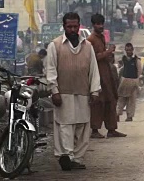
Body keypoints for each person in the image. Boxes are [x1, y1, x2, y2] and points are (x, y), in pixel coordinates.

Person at [44, 12, 101, 171]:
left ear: (79, 26)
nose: (73, 29)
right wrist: (54, 90)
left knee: (82, 126)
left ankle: (77, 158)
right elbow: (50, 70)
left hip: (83, 92)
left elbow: (93, 70)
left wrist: (95, 91)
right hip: (63, 93)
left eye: (75, 26)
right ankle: (66, 156)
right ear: (64, 27)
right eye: (69, 26)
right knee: (65, 125)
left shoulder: (87, 46)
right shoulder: (55, 45)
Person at [86, 14, 126, 139]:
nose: (101, 26)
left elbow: (103, 57)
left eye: (102, 23)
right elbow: (93, 58)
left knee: (111, 101)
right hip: (97, 75)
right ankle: (95, 130)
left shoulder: (101, 38)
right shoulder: (90, 40)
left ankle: (111, 129)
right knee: (98, 103)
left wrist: (109, 55)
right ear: (93, 25)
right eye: (98, 24)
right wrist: (107, 52)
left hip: (106, 74)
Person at [116, 43, 142, 122]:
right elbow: (120, 71)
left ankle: (129, 116)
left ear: (132, 50)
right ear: (125, 50)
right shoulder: (122, 60)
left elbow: (139, 71)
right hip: (124, 81)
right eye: (127, 50)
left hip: (133, 81)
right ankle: (117, 114)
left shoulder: (136, 60)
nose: (128, 52)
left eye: (130, 50)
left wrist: (136, 82)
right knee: (121, 99)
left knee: (131, 100)